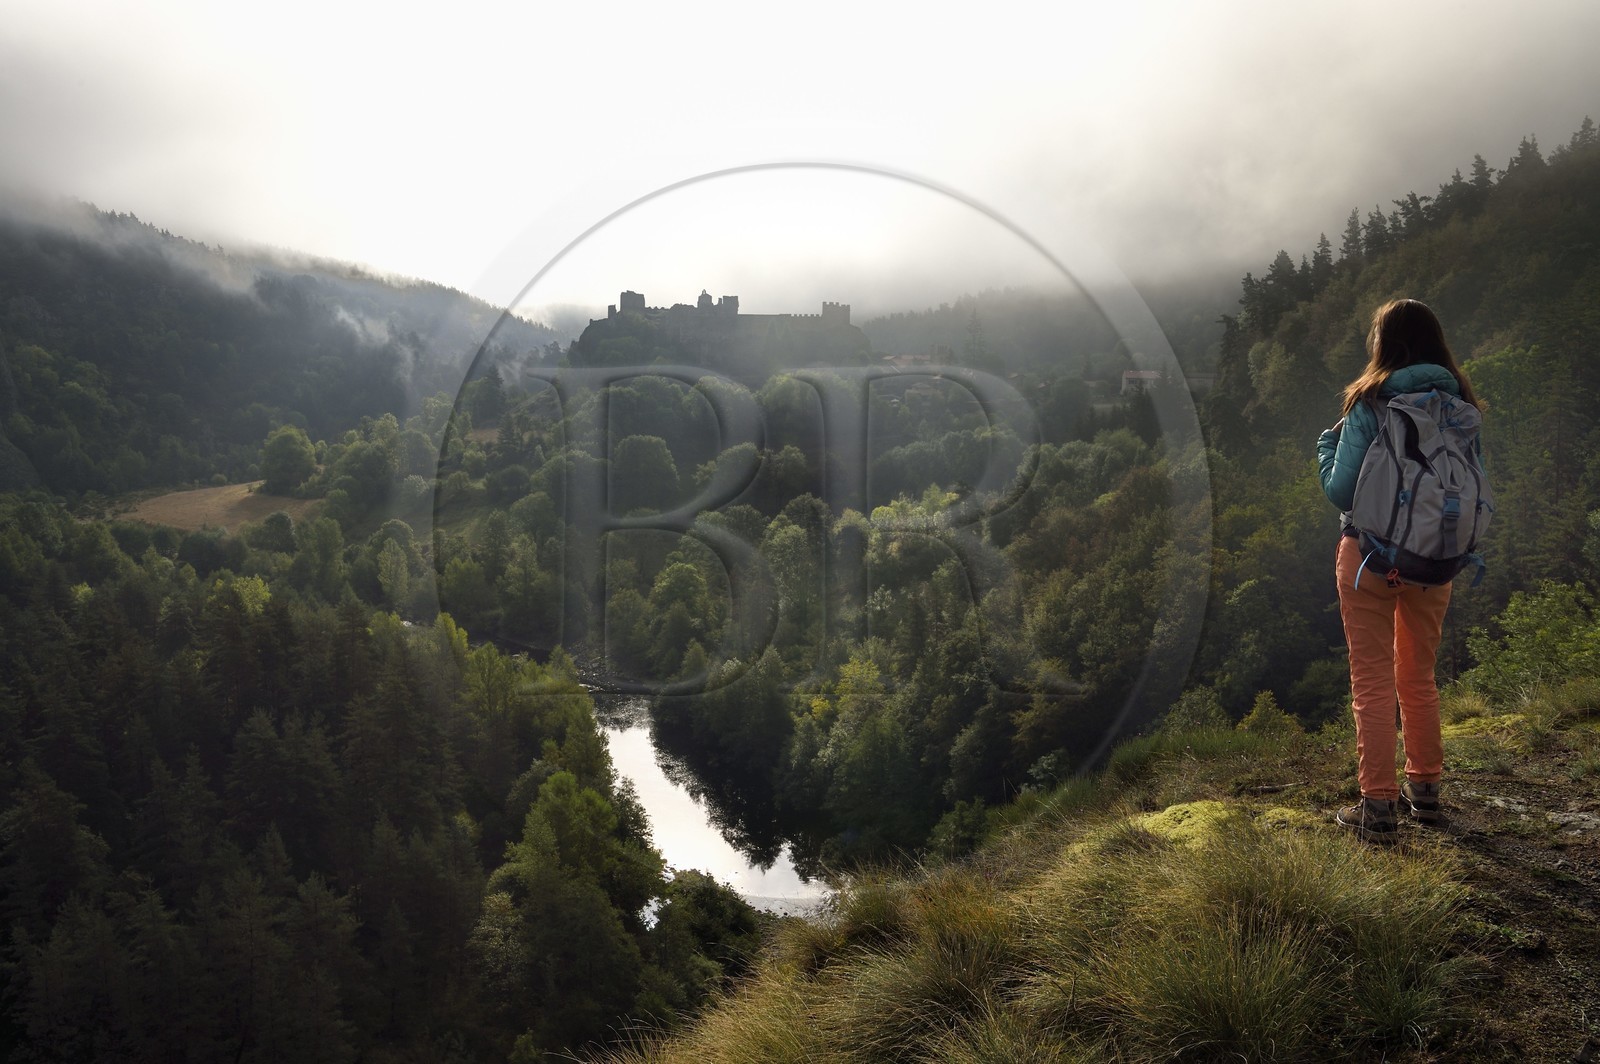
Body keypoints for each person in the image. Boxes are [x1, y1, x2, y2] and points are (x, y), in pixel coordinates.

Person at [1316, 298, 1483, 843]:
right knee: (1419, 674)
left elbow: (1342, 490)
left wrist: (1326, 447)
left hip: (1369, 557)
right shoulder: (1459, 402)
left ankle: (1378, 806)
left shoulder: (1371, 400)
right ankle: (1426, 791)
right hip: (1435, 558)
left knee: (1372, 678)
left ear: (1383, 343)